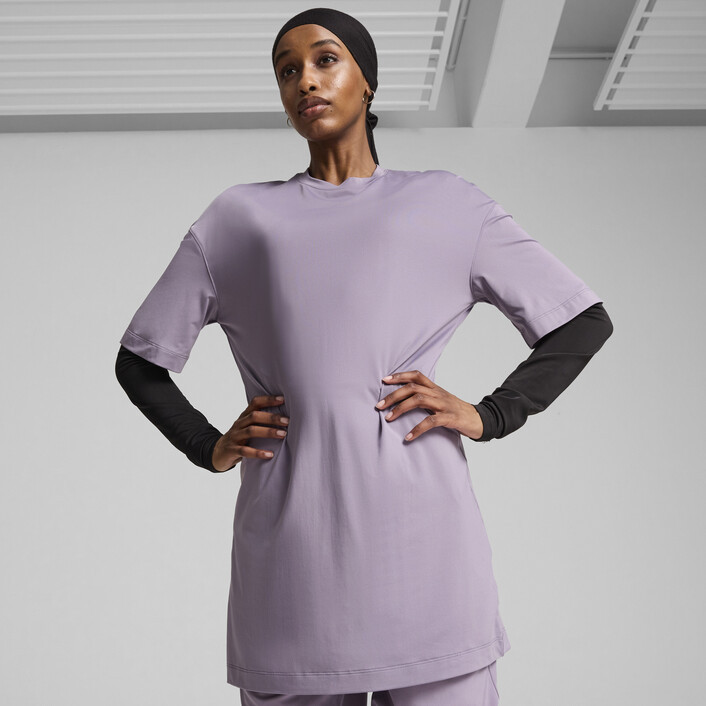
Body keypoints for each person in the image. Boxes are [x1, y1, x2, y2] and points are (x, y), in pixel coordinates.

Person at [115, 7, 613, 705]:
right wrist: (208, 445)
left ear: (367, 80)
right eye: (287, 71)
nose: (305, 81)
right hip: (292, 566)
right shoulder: (238, 220)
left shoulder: (448, 204)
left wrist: (492, 413)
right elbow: (139, 360)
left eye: (326, 60)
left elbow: (581, 321)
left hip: (426, 554)